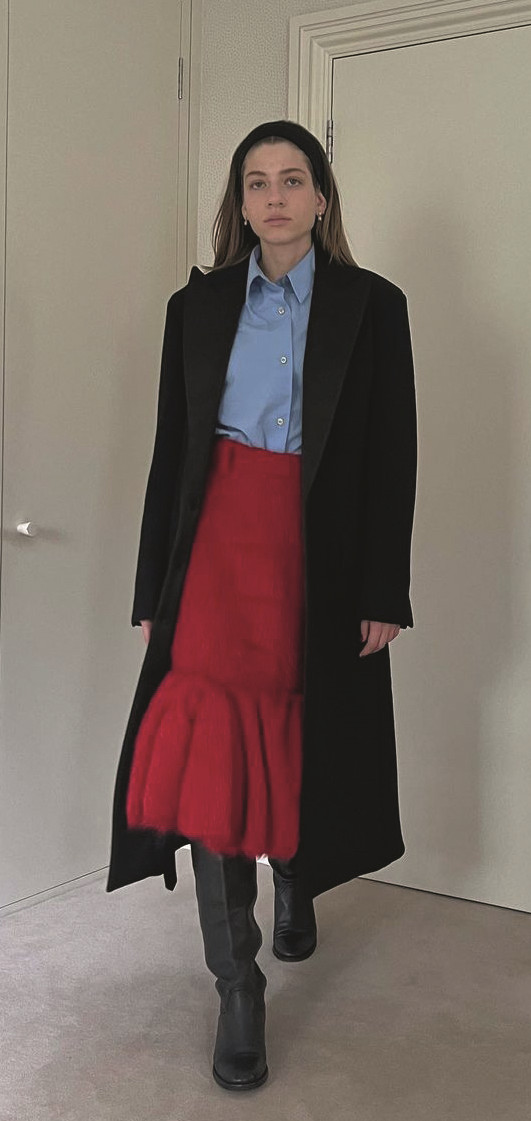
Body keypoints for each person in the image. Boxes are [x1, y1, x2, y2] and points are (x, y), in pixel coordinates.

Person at [106, 119, 418, 1093]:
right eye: (256, 182)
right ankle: (237, 985)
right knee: (212, 746)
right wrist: (153, 585)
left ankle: (294, 873)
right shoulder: (195, 307)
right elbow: (171, 452)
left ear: (321, 198)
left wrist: (383, 588)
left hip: (313, 549)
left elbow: (391, 455)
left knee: (295, 726)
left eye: (292, 179)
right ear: (239, 203)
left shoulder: (373, 305)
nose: (274, 197)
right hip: (213, 548)